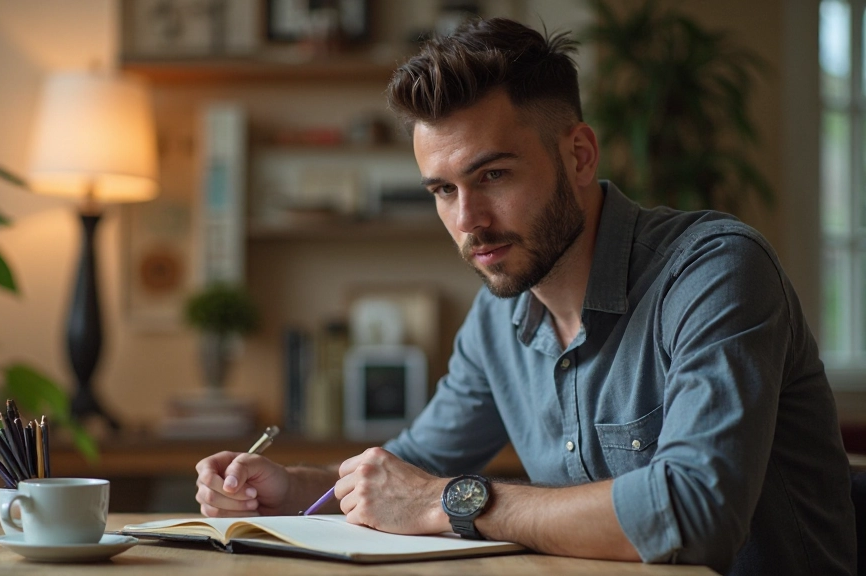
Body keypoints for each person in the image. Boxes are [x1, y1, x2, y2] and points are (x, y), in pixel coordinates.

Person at [195, 17, 856, 575]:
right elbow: (407, 474)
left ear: (579, 155)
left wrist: (450, 502)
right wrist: (291, 489)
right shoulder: (499, 317)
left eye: (493, 175)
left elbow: (694, 513)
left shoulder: (714, 273)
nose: (467, 220)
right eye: (443, 191)